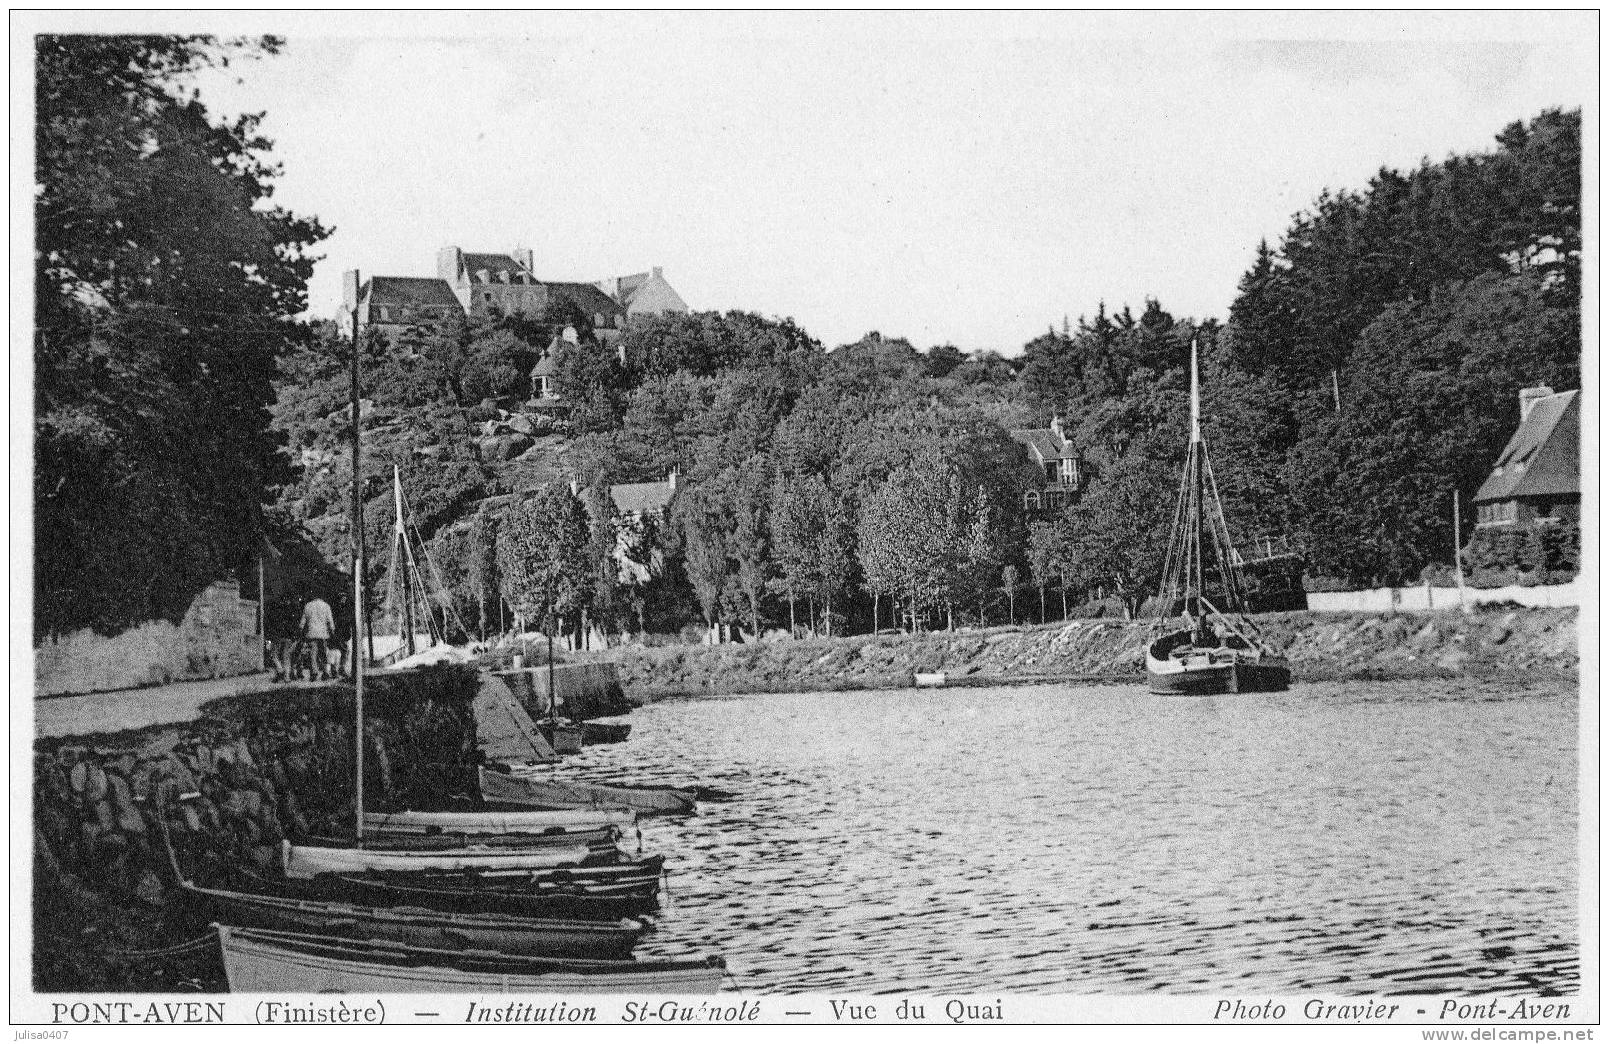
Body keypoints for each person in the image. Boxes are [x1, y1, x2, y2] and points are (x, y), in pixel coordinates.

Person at [299, 595, 336, 681]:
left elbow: (303, 621)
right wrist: (332, 630)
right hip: (323, 634)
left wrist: (301, 629)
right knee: (323, 654)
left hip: (311, 634)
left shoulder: (308, 606)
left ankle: (314, 673)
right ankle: (325, 672)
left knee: (313, 654)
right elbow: (330, 620)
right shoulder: (326, 606)